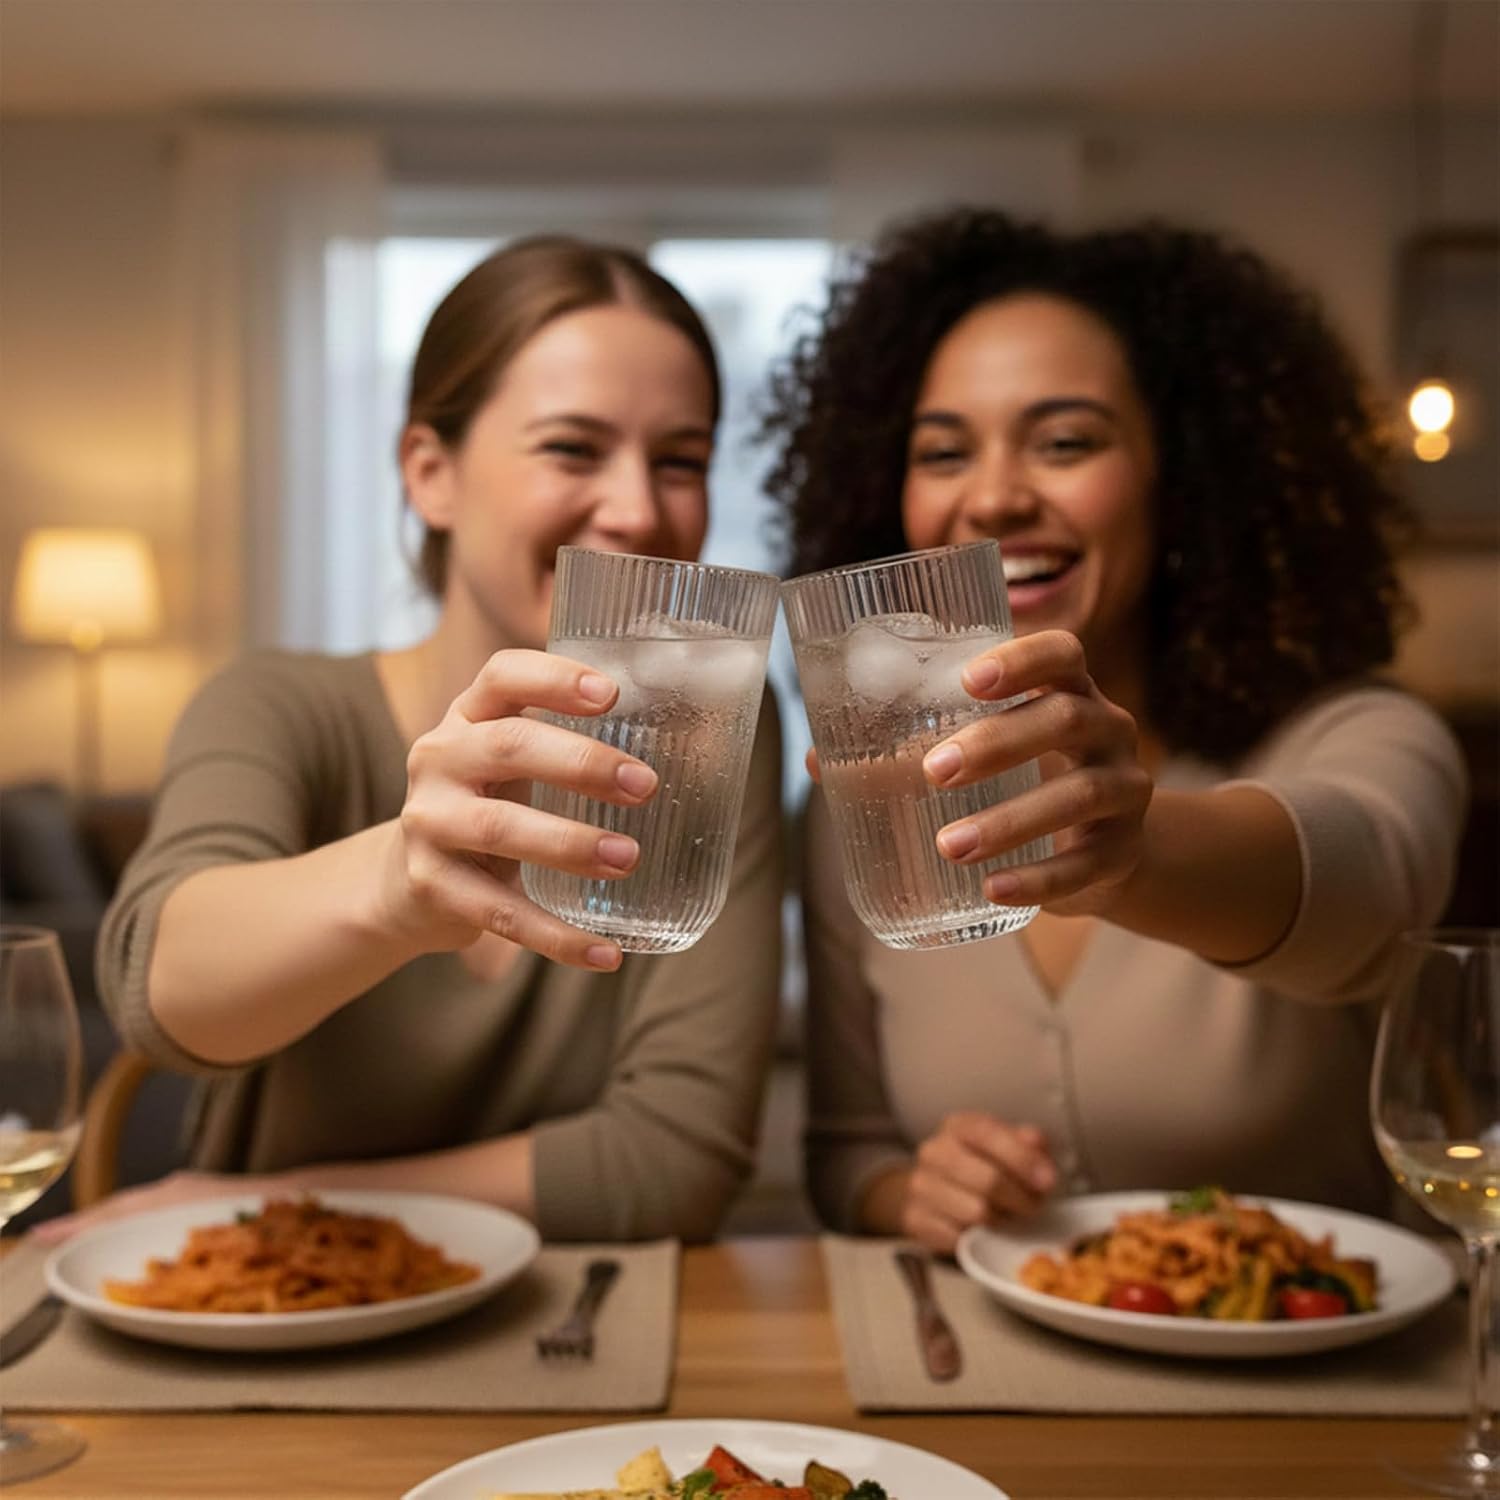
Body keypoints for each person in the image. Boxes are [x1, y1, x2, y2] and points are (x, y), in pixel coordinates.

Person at [761, 208, 1467, 1253]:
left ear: (1181, 479)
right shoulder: (866, 805)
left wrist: (1127, 850)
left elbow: (1364, 901)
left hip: (1314, 1349)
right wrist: (915, 1193)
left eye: (1065, 442)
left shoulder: (1361, 733)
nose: (994, 497)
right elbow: (847, 1152)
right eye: (943, 452)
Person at [53, 237, 784, 1244]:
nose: (638, 510)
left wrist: (273, 1203)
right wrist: (399, 880)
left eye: (681, 462)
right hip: (274, 1311)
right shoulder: (279, 706)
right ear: (431, 475)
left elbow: (674, 1162)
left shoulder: (716, 728)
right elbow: (162, 998)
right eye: (573, 449)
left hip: (577, 1317)